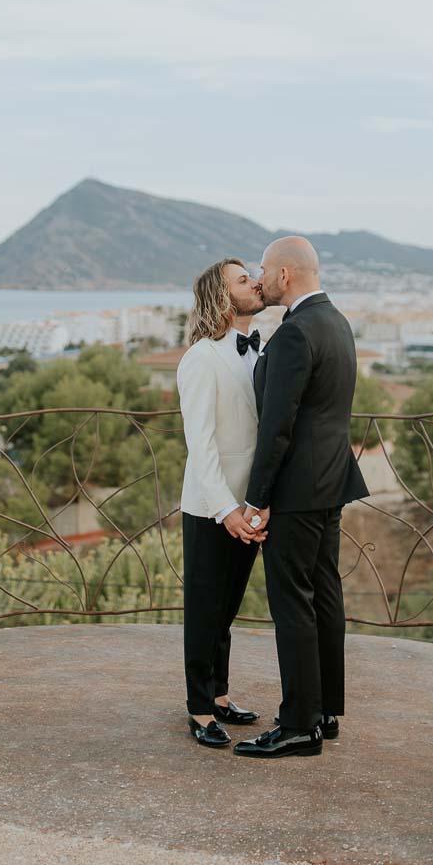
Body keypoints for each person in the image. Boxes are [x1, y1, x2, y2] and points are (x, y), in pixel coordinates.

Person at [234, 236, 368, 760]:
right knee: (323, 595)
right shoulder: (336, 322)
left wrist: (257, 497)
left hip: (295, 487)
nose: (260, 279)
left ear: (286, 274)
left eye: (264, 271)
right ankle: (323, 711)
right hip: (331, 480)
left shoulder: (294, 334)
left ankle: (297, 726)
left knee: (292, 603)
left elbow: (278, 426)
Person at [175, 257, 268, 748]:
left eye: (252, 275)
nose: (255, 282)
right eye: (241, 279)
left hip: (251, 507)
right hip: (211, 506)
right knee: (205, 606)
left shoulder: (259, 352)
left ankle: (221, 695)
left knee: (228, 607)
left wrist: (256, 504)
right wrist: (226, 510)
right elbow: (202, 444)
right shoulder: (200, 358)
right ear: (221, 295)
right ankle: (197, 707)